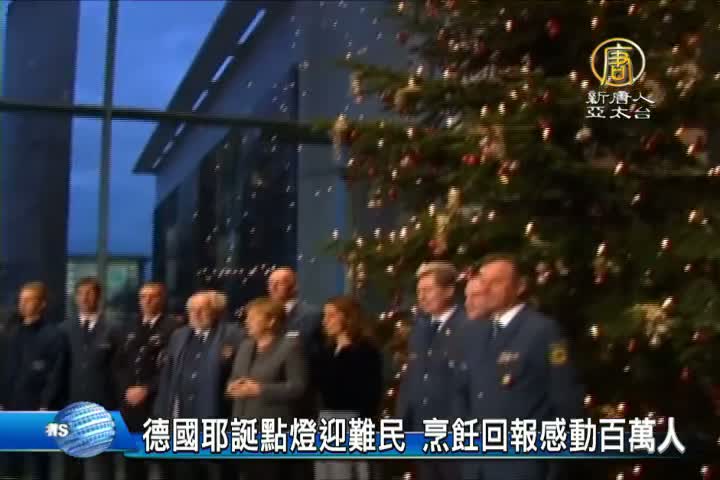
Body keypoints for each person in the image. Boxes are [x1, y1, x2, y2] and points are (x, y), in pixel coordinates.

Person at [459, 254, 584, 480]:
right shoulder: (476, 332)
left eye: (496, 282)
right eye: (483, 281)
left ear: (520, 286)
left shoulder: (544, 331)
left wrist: (556, 464)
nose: (486, 289)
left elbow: (565, 401)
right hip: (478, 466)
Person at [153, 290, 242, 480]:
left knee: (217, 472)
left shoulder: (233, 335)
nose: (196, 314)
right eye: (192, 310)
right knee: (185, 471)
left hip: (218, 419)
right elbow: (168, 376)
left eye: (203, 309)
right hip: (182, 419)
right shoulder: (179, 335)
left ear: (216, 311)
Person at [396, 261, 468, 480]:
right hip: (422, 432)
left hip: (454, 434)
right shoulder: (420, 328)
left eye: (428, 290)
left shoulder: (468, 326)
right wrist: (401, 422)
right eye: (419, 291)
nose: (422, 297)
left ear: (449, 291)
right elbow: (412, 377)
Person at [227, 296, 307, 480]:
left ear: (271, 321)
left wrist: (260, 390)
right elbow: (235, 378)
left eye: (252, 318)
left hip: (272, 431)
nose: (246, 322)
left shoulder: (290, 347)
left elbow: (298, 387)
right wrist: (232, 387)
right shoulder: (245, 346)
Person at [0, 282, 67, 480]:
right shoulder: (10, 334)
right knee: (10, 465)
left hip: (38, 410)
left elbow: (57, 374)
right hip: (10, 409)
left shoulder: (54, 335)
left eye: (29, 300)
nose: (23, 304)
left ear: (42, 304)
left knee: (38, 465)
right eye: (21, 299)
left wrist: (45, 405)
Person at [113, 282, 178, 480]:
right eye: (143, 297)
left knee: (163, 464)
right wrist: (127, 389)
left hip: (158, 404)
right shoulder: (128, 326)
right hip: (131, 405)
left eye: (153, 296)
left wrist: (147, 388)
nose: (147, 301)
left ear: (162, 299)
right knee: (132, 463)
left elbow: (173, 368)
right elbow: (118, 363)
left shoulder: (174, 328)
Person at [314, 296, 383, 480]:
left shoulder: (365, 350)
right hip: (326, 418)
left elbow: (368, 393)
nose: (325, 321)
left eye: (331, 315)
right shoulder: (327, 350)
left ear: (348, 317)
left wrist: (346, 353)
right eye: (325, 316)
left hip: (351, 420)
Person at [61, 277, 121, 480]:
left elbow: (119, 369)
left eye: (90, 293)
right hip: (71, 406)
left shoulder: (114, 330)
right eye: (81, 293)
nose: (85, 298)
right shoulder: (64, 329)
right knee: (71, 465)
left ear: (99, 297)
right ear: (75, 297)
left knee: (102, 466)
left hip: (103, 407)